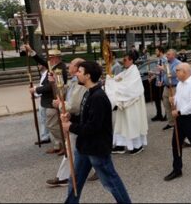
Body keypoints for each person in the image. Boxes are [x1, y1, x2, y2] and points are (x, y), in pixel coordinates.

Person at [61, 61, 132, 203]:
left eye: (79, 72)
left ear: (87, 76)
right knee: (75, 181)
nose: (76, 74)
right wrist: (72, 117)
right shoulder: (89, 93)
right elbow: (86, 117)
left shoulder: (98, 97)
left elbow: (93, 127)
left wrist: (70, 127)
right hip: (84, 147)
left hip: (96, 148)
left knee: (111, 182)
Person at [46, 58, 89, 187]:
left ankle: (63, 177)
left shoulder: (81, 84)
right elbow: (64, 90)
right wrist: (55, 82)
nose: (68, 67)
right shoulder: (74, 81)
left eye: (71, 65)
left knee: (70, 148)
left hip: (77, 121)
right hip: (73, 120)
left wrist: (60, 104)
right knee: (75, 149)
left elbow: (74, 106)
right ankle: (66, 176)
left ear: (77, 68)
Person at [25, 44, 67, 155]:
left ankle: (66, 144)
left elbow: (54, 86)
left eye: (50, 57)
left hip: (53, 101)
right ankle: (58, 145)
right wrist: (31, 51)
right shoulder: (53, 66)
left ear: (56, 58)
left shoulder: (59, 68)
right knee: (51, 123)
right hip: (48, 101)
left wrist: (36, 90)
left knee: (52, 125)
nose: (48, 60)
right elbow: (41, 61)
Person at [105, 54, 148, 155]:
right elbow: (117, 79)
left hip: (132, 104)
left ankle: (137, 146)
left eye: (125, 60)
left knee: (132, 124)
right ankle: (120, 145)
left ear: (131, 60)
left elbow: (130, 88)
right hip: (124, 104)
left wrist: (115, 86)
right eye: (123, 60)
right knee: (121, 125)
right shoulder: (126, 72)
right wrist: (110, 78)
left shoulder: (134, 72)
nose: (123, 62)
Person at [159, 49, 181, 130]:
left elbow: (173, 73)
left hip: (174, 87)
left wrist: (163, 69)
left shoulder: (178, 63)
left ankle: (178, 124)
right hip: (166, 87)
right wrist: (161, 80)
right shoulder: (166, 62)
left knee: (174, 106)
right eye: (166, 54)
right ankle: (171, 123)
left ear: (173, 55)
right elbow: (164, 74)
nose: (166, 56)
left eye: (168, 54)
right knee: (166, 105)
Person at [33, 63, 51, 145]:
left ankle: (47, 137)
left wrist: (36, 90)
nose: (38, 66)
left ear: (43, 65)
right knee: (43, 119)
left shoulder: (48, 74)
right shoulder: (43, 74)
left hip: (47, 101)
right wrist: (36, 94)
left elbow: (47, 88)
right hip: (43, 100)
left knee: (47, 120)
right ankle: (45, 136)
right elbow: (41, 86)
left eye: (39, 65)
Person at [149, 46, 167, 122]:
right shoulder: (159, 60)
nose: (155, 52)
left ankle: (167, 115)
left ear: (160, 51)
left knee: (164, 100)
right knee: (157, 99)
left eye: (156, 51)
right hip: (157, 82)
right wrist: (152, 77)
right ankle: (159, 114)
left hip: (162, 82)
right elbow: (158, 71)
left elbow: (164, 72)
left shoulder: (165, 60)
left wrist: (152, 72)